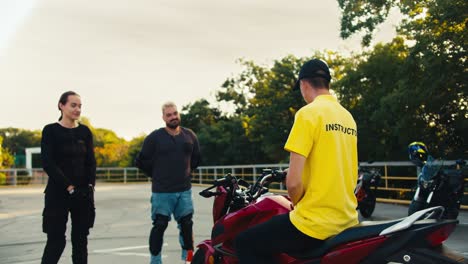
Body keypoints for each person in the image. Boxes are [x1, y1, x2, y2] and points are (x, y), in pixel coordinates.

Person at [234, 59, 359, 263]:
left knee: (245, 242)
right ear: (327, 83)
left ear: (304, 84)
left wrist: (297, 201)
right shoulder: (347, 117)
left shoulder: (308, 114)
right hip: (347, 220)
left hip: (314, 224)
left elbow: (293, 183)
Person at [136, 101, 201, 264]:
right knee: (159, 225)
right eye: (169, 115)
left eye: (175, 113)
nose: (173, 117)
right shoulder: (154, 138)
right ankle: (155, 260)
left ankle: (188, 259)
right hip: (162, 192)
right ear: (163, 117)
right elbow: (141, 161)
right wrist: (156, 175)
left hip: (184, 190)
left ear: (178, 114)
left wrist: (186, 173)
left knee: (187, 225)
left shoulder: (190, 135)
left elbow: (196, 158)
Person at [40, 91, 96, 264]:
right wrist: (68, 187)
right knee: (56, 241)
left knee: (80, 241)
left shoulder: (85, 132)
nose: (77, 109)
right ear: (61, 105)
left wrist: (90, 186)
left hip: (82, 194)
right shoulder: (50, 131)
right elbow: (48, 163)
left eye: (80, 106)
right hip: (58, 194)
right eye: (73, 105)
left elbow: (91, 162)